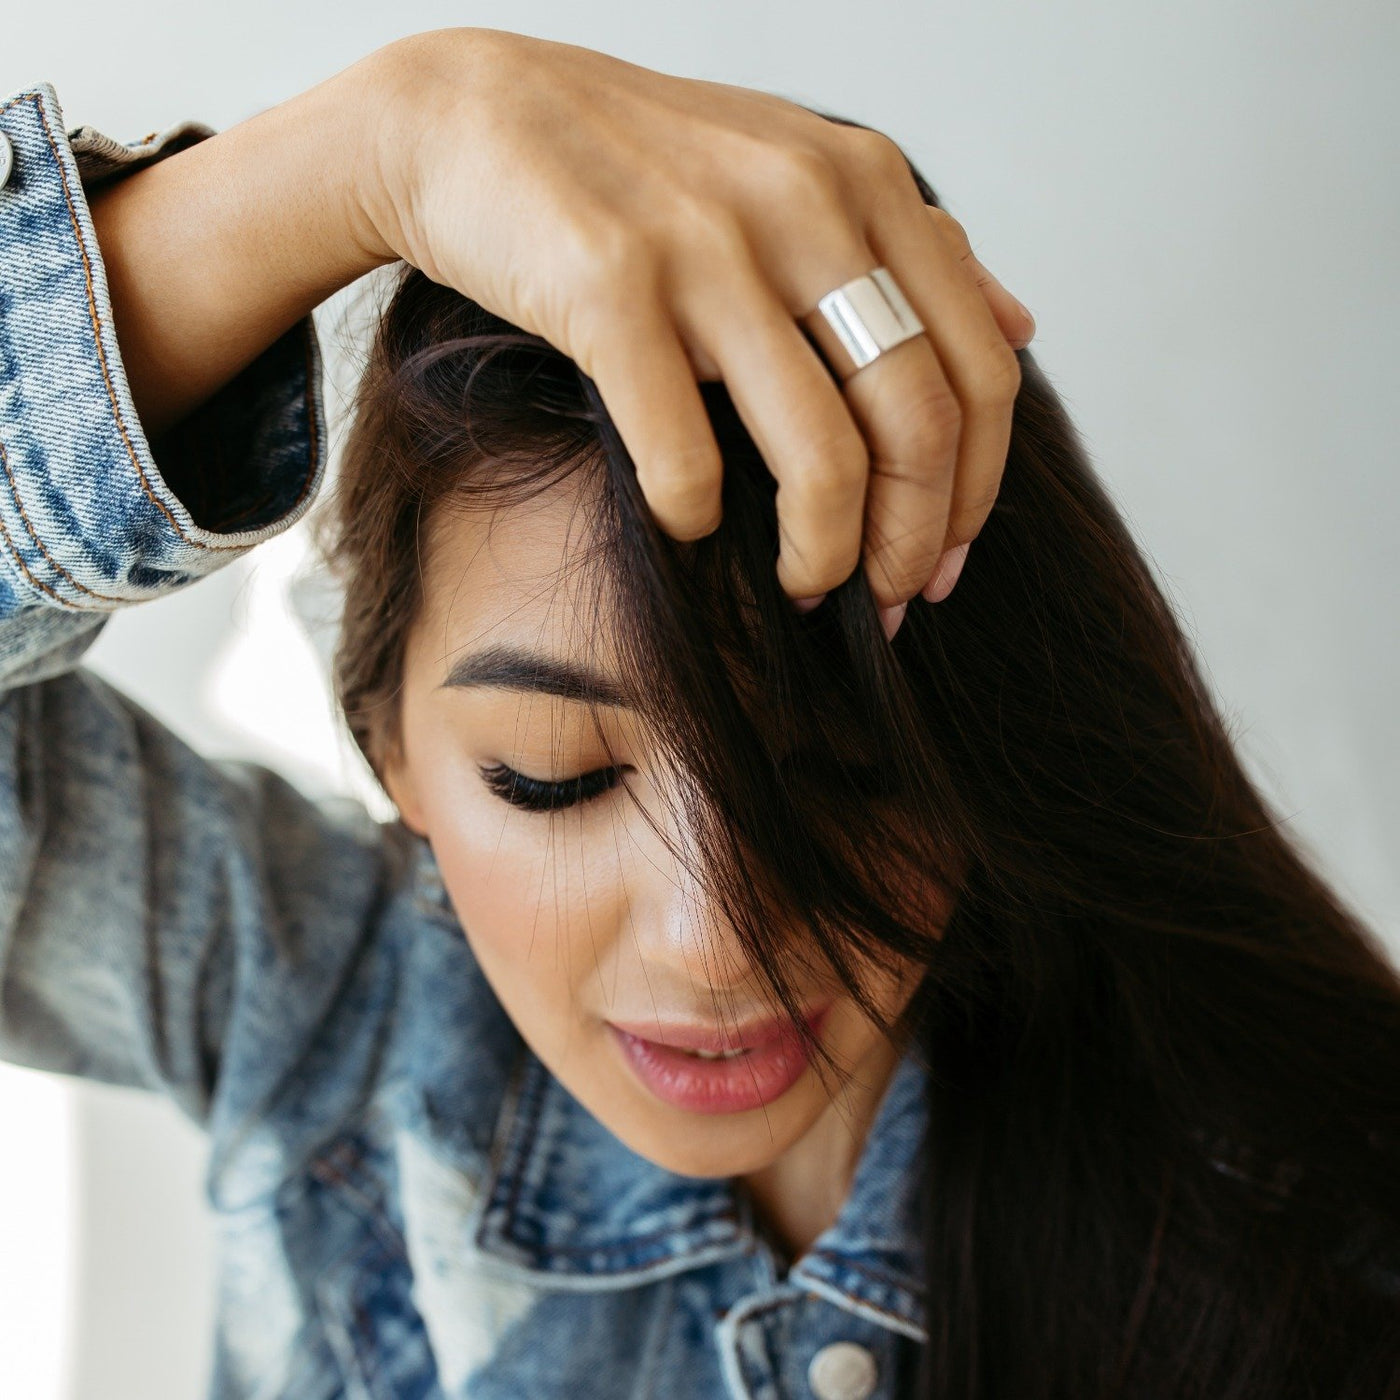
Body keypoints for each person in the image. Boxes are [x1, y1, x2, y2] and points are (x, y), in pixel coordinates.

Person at [0, 25, 1396, 1400]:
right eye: (555, 777)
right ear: (389, 743)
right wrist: (373, 147)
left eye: (848, 772)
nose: (715, 945)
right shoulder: (314, 1003)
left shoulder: (1314, 1245)